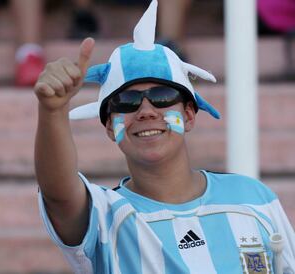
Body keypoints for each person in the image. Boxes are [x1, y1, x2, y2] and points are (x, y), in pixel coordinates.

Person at [34, 1, 295, 273]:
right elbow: (58, 194)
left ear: (190, 115)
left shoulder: (253, 197)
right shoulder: (104, 216)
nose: (146, 111)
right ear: (110, 127)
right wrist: (53, 111)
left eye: (162, 97)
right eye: (127, 101)